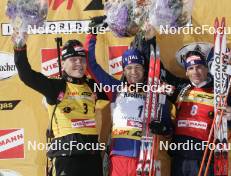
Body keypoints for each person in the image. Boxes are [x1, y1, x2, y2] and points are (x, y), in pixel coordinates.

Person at [13, 33, 107, 176]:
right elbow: (27, 76)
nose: (79, 63)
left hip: (92, 157)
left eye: (82, 60)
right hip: (67, 157)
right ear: (63, 63)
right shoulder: (56, 86)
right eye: (73, 59)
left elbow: (117, 92)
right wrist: (20, 48)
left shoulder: (92, 85)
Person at [85, 34, 172, 176]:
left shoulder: (155, 93)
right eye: (129, 68)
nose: (134, 72)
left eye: (138, 67)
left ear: (144, 70)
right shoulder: (116, 88)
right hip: (119, 155)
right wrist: (92, 34)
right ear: (124, 71)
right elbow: (91, 65)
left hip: (145, 157)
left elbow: (168, 130)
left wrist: (163, 128)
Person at [162, 48, 231, 176]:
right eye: (191, 68)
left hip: (205, 161)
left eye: (199, 67)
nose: (195, 72)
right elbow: (158, 71)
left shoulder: (220, 92)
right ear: (186, 72)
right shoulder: (181, 88)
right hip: (180, 160)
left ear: (207, 69)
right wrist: (149, 39)